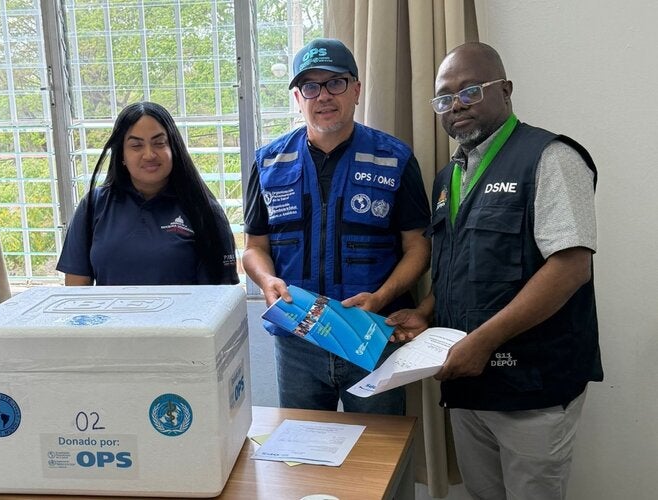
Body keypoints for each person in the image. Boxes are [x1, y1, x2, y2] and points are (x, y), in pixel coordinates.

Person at [387, 42, 603, 500]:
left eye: (469, 92)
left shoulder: (550, 157)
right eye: (444, 99)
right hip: (469, 383)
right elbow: (455, 265)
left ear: (504, 90)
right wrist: (426, 311)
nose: (455, 107)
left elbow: (570, 268)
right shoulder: (448, 178)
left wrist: (482, 341)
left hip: (533, 387)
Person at [243, 38, 431, 414]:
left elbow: (418, 247)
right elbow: (253, 248)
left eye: (335, 83)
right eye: (310, 87)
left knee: (380, 458)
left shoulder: (394, 158)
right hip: (298, 339)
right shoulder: (268, 163)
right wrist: (266, 282)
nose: (323, 96)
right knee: (302, 455)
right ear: (298, 98)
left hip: (373, 336)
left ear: (357, 90)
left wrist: (380, 298)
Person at [57, 101, 239, 286]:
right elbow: (76, 289)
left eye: (159, 143)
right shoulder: (94, 205)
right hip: (110, 315)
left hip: (182, 315)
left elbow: (220, 297)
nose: (149, 154)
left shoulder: (205, 210)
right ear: (122, 155)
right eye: (136, 145)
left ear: (174, 149)